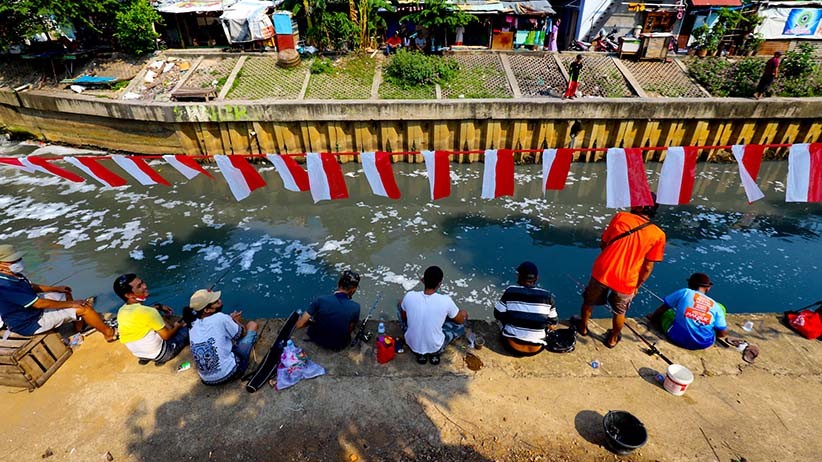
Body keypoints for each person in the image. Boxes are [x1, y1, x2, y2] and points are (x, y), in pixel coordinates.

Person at [576, 196, 666, 348]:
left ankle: (583, 327)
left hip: (604, 270)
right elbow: (647, 267)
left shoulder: (621, 217)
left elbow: (604, 243)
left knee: (588, 302)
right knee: (619, 311)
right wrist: (637, 285)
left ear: (640, 207)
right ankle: (613, 338)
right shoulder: (658, 234)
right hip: (627, 279)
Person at [0, 244, 116, 340]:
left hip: (32, 311)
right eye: (13, 261)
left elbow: (31, 287)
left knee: (64, 293)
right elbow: (38, 303)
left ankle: (78, 326)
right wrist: (72, 304)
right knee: (84, 308)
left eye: (18, 259)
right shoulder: (5, 285)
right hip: (30, 322)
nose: (18, 262)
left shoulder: (12, 275)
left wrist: (56, 289)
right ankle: (109, 334)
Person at [113, 274, 189, 365]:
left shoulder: (122, 311)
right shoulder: (149, 312)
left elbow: (143, 314)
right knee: (189, 327)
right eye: (139, 286)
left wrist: (158, 307)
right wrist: (177, 326)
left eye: (142, 282)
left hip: (140, 354)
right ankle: (162, 359)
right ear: (129, 295)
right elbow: (167, 336)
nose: (145, 286)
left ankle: (146, 359)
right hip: (163, 353)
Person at [187, 289, 259, 385]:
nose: (220, 301)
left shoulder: (192, 323)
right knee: (252, 325)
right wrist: (236, 320)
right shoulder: (221, 318)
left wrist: (229, 320)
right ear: (207, 310)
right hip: (231, 373)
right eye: (216, 302)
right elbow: (242, 333)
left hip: (206, 380)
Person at [399, 266, 468, 365]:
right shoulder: (446, 300)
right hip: (436, 347)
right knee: (461, 321)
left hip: (412, 344)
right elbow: (460, 321)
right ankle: (434, 354)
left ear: (423, 280)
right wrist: (463, 314)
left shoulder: (409, 296)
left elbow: (404, 317)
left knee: (401, 305)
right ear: (439, 284)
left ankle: (421, 355)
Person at [494, 261, 558, 356]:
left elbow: (497, 314)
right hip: (536, 349)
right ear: (536, 278)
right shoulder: (547, 296)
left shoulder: (511, 291)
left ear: (519, 276)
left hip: (512, 346)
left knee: (503, 318)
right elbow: (553, 323)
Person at [649, 273, 727, 350]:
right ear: (708, 287)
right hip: (703, 344)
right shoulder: (715, 306)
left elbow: (662, 309)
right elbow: (722, 334)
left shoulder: (685, 292)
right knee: (721, 307)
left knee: (667, 313)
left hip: (677, 337)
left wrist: (653, 319)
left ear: (689, 284)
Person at [295, 270, 361, 350]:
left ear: (338, 284)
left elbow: (299, 325)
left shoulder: (320, 300)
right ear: (353, 290)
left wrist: (311, 322)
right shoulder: (356, 307)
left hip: (316, 338)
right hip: (338, 345)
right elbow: (349, 330)